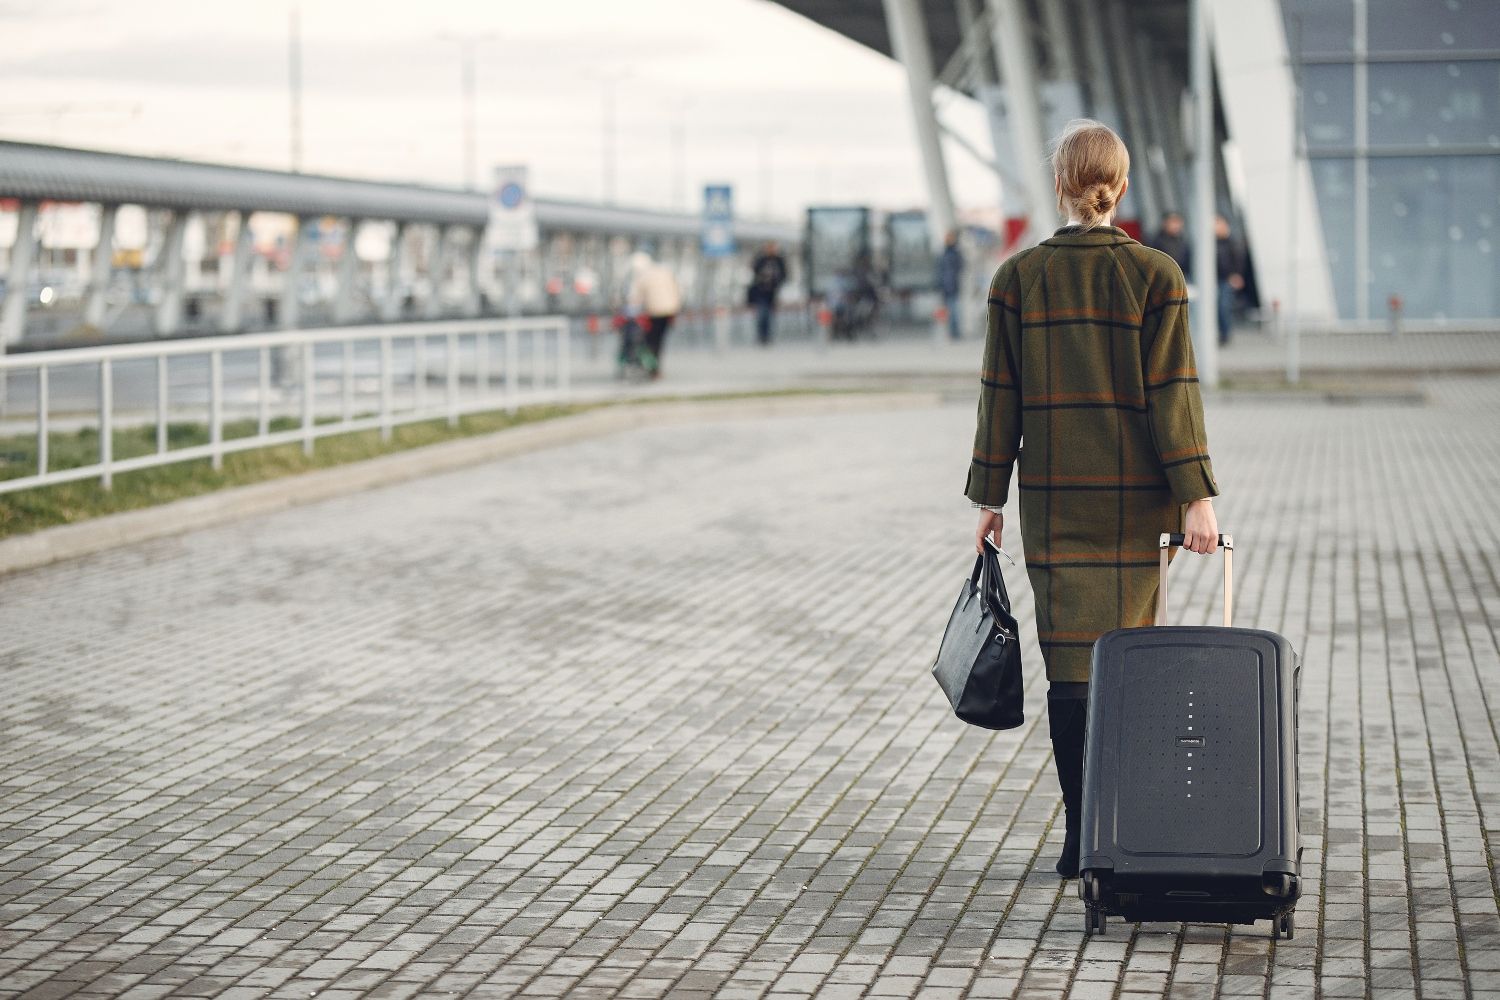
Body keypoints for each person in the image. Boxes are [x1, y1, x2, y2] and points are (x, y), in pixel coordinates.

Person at [966, 119, 1221, 879]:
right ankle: (1120, 831)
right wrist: (1197, 498)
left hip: (1053, 503)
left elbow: (997, 398)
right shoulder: (1157, 274)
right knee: (1128, 664)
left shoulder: (1017, 277)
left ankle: (1082, 834)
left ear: (1059, 185)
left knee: (1071, 671)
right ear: (1123, 183)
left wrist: (990, 498)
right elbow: (1174, 396)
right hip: (1138, 503)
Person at [626, 250, 682, 379]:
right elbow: (676, 289)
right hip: (669, 310)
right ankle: (655, 368)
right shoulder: (664, 271)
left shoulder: (642, 276)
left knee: (651, 340)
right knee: (660, 339)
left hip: (654, 311)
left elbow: (635, 297)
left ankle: (653, 367)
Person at [747, 242, 787, 346]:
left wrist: (777, 283)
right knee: (762, 314)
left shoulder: (779, 260)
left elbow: (784, 274)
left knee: (770, 316)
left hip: (772, 293)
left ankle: (767, 336)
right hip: (761, 292)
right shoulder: (761, 259)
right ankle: (761, 336)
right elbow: (754, 268)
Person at [1215, 215, 1246, 346]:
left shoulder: (1232, 242)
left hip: (1226, 279)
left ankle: (1225, 334)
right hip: (1214, 280)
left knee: (1223, 306)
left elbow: (1239, 260)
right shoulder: (1210, 242)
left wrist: (1236, 275)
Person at [936, 229, 965, 341]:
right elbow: (940, 270)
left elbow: (960, 267)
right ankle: (951, 332)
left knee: (954, 310)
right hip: (945, 285)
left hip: (953, 285)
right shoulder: (944, 253)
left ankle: (955, 332)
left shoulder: (955, 253)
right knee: (949, 310)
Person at [1147, 211, 1191, 277]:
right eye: (1173, 222)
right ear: (1165, 223)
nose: (1176, 225)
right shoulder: (1156, 241)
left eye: (1178, 222)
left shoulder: (1183, 241)